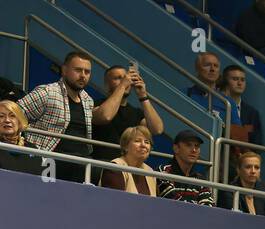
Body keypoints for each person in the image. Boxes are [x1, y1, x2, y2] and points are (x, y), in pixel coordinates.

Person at [17, 49, 95, 181]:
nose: (83, 75)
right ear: (64, 70)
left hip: (80, 163)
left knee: (103, 168)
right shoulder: (47, 92)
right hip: (49, 159)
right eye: (78, 70)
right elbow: (15, 113)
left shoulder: (88, 100)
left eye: (87, 72)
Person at [90, 64, 162, 166]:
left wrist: (143, 95)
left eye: (125, 78)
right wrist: (122, 85)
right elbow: (105, 116)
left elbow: (157, 129)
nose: (126, 80)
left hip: (128, 166)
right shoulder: (95, 104)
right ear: (106, 84)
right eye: (118, 78)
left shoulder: (136, 113)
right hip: (102, 163)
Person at [157, 129, 215, 205]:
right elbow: (172, 203)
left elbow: (209, 207)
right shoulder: (163, 171)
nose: (194, 150)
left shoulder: (200, 179)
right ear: (176, 148)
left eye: (197, 146)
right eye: (188, 145)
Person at [99, 125, 159, 196]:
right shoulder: (114, 168)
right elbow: (114, 201)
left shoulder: (150, 172)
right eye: (137, 141)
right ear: (125, 146)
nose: (143, 145)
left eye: (146, 142)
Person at [220, 149, 265, 215]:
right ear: (238, 170)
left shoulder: (264, 192)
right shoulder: (229, 192)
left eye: (256, 167)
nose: (253, 171)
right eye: (248, 167)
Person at [0, 100, 41, 176]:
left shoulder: (32, 149)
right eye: (1, 116)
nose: (7, 120)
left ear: (19, 121)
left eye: (12, 116)